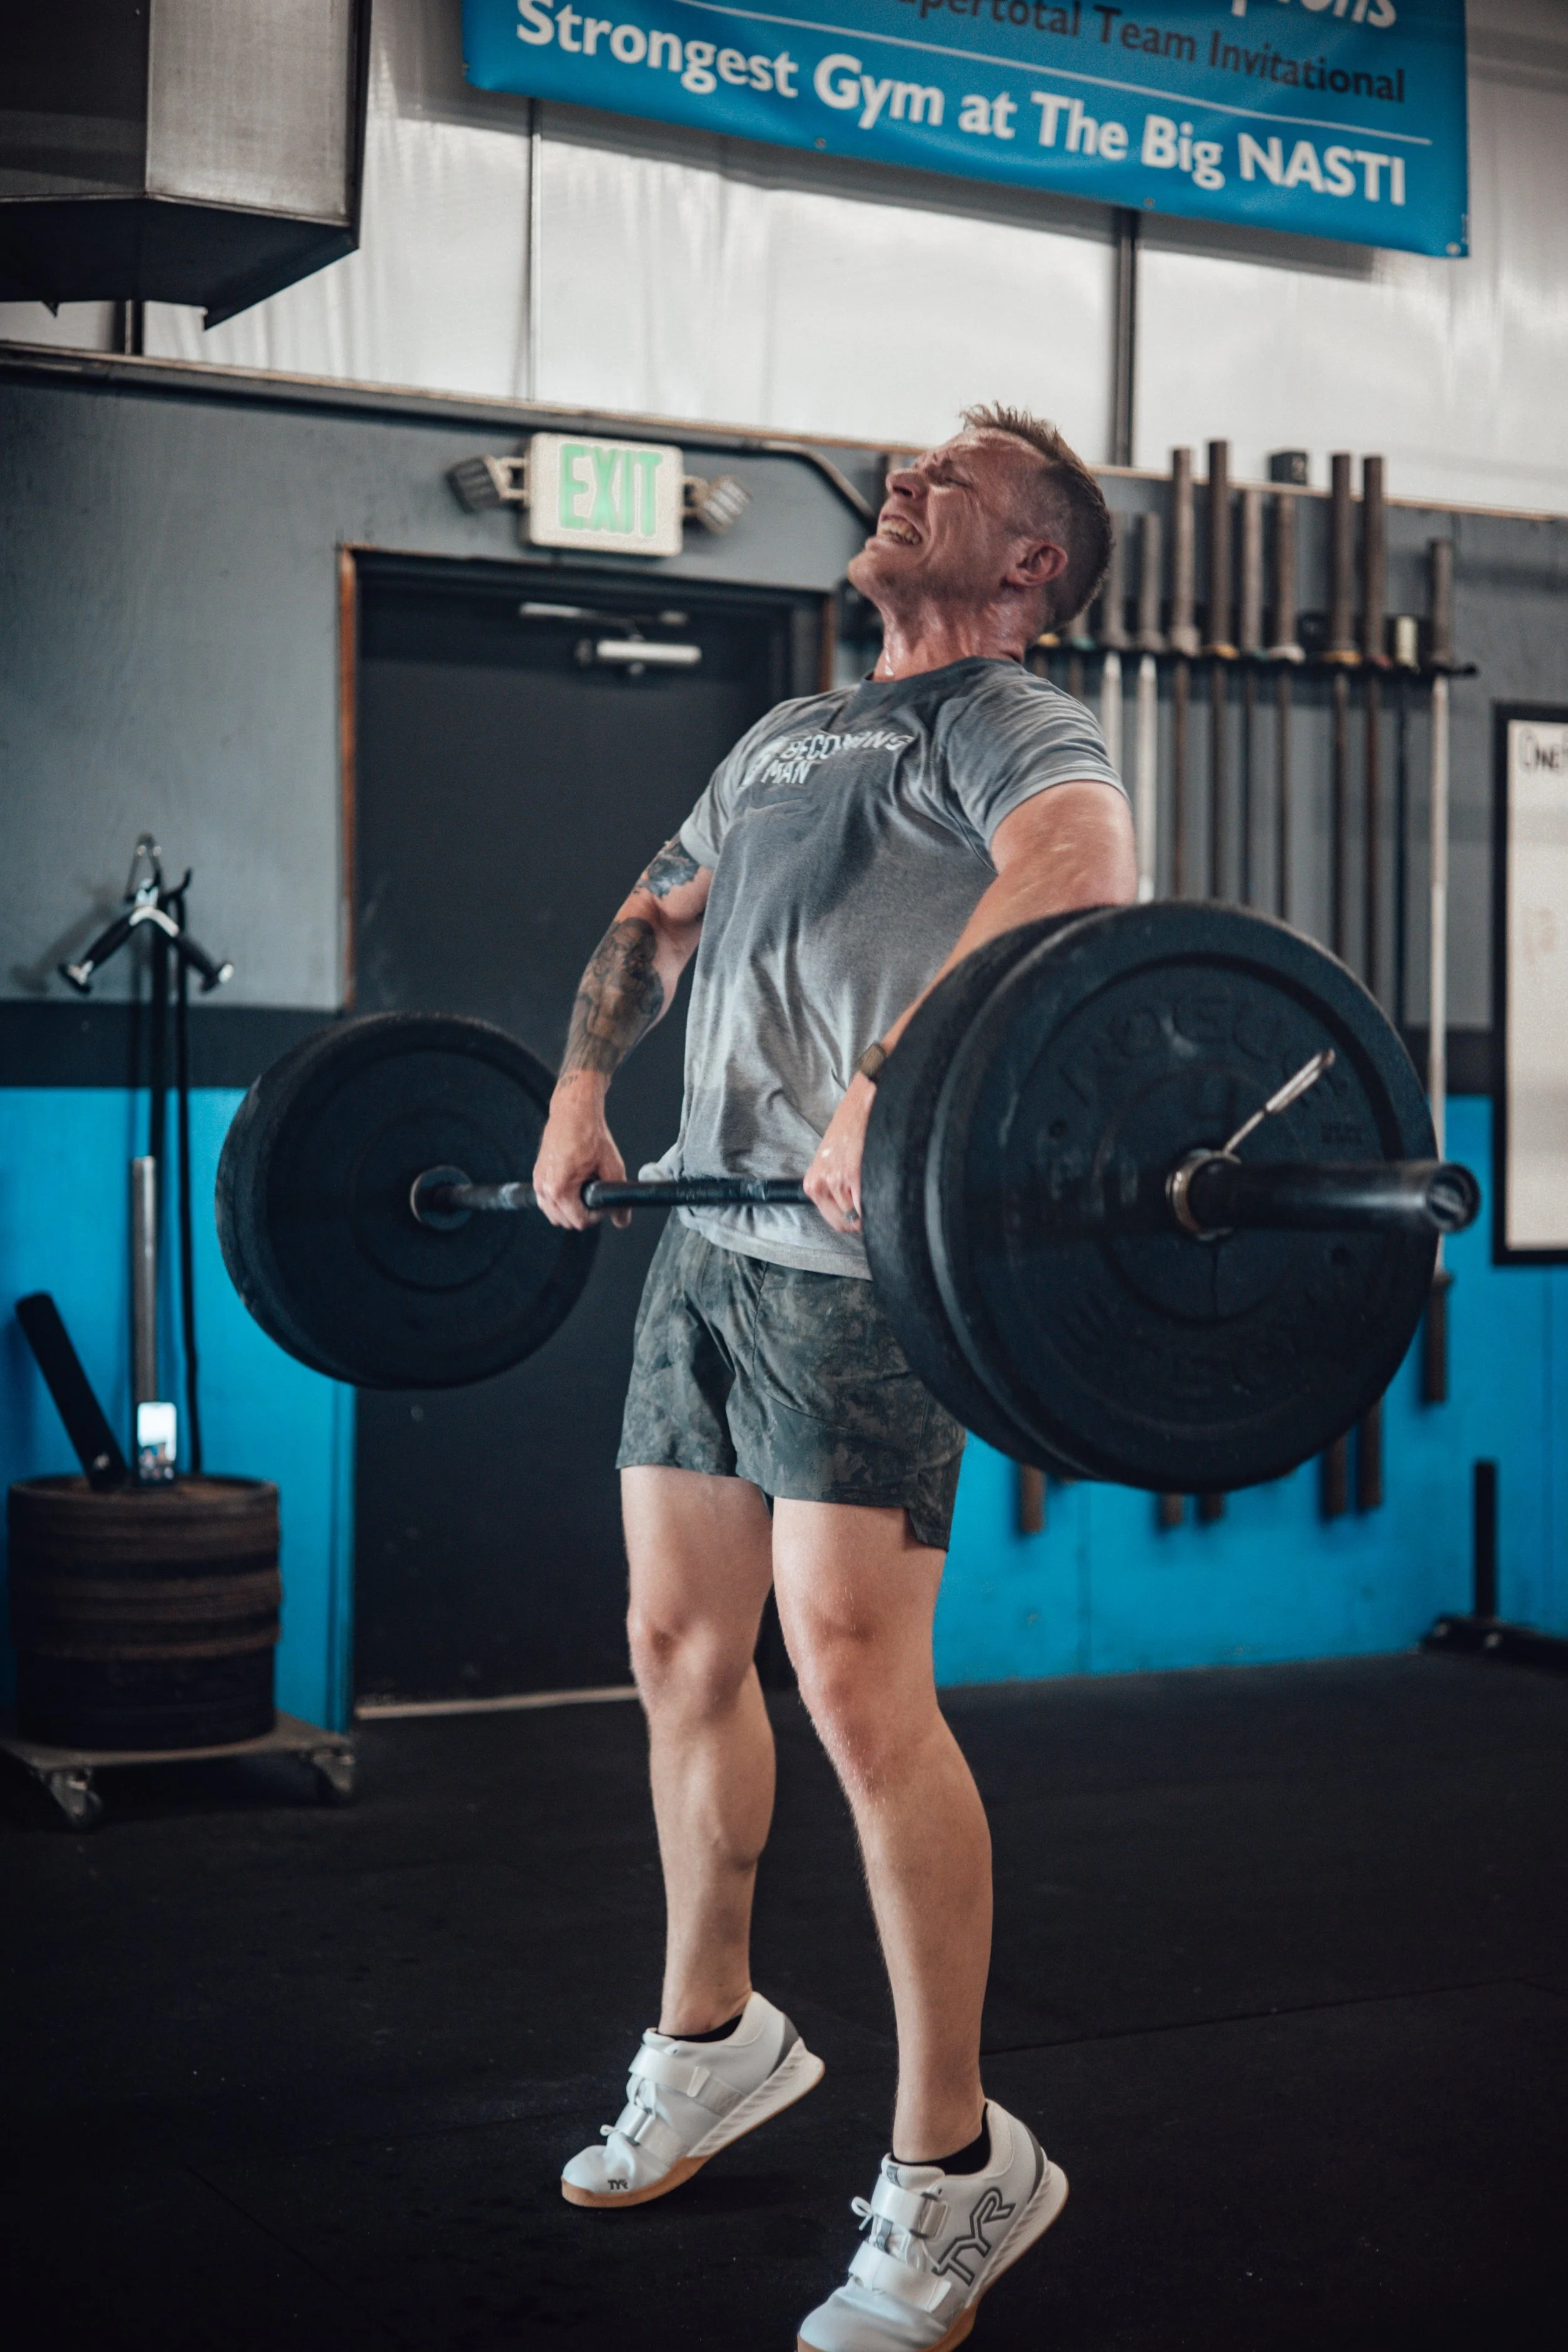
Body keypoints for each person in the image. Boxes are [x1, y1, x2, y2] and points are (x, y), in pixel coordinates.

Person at [532, 403, 1137, 2351]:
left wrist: (886, 1093)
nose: (905, 480)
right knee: (672, 1648)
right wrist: (577, 1082)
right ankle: (713, 2037)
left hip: (860, 1276)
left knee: (862, 1692)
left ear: (1032, 562)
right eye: (906, 464)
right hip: (707, 1257)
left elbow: (1081, 867)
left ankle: (958, 2165)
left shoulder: (1012, 720)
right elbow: (657, 908)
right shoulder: (787, 731)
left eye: (953, 478)